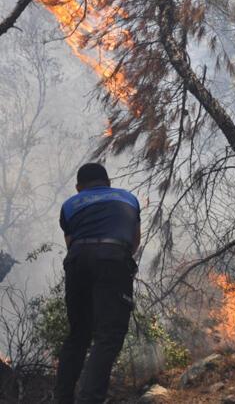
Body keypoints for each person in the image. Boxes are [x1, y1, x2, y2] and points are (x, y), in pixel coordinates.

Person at [55, 163, 141, 404]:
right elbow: (135, 241)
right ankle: (89, 399)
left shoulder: (70, 205)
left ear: (78, 187)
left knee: (78, 334)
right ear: (109, 182)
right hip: (113, 257)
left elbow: (71, 243)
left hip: (78, 260)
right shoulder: (129, 199)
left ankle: (62, 399)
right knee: (108, 335)